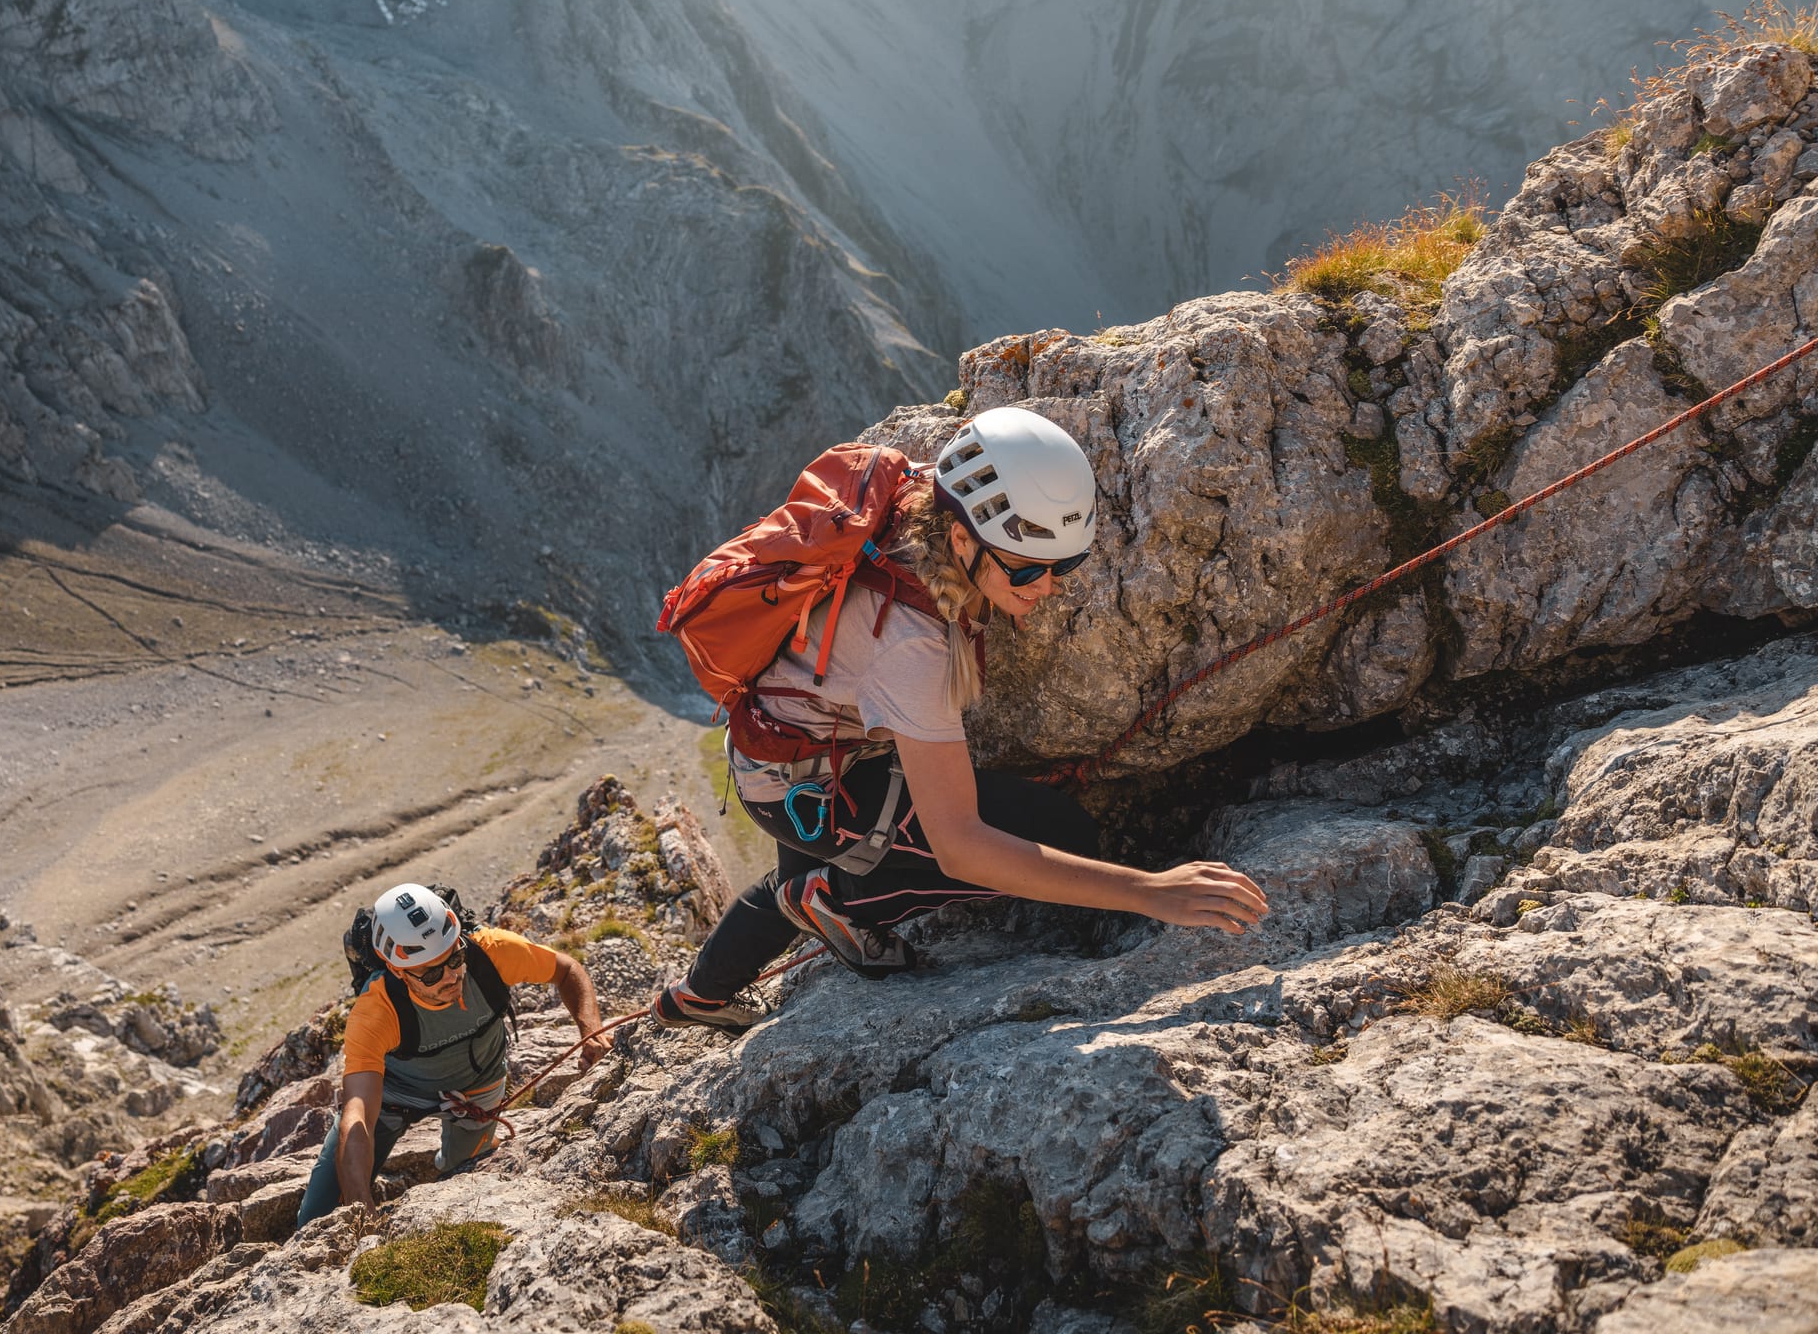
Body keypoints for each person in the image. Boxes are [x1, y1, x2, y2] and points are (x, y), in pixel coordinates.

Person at [652, 407, 1271, 1032]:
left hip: (791, 751)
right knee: (1063, 837)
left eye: (1064, 566)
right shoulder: (913, 650)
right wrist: (1150, 892)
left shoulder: (930, 500)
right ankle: (841, 900)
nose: (1048, 587)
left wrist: (1013, 580)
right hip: (808, 784)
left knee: (807, 869)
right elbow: (961, 848)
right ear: (962, 542)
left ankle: (694, 998)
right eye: (1026, 567)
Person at [295, 881, 607, 1227]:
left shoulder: (491, 952)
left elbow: (566, 970)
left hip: (477, 1087)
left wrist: (590, 1031)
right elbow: (358, 1118)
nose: (451, 976)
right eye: (430, 972)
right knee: (316, 1215)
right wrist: (358, 1209)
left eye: (455, 958)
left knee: (464, 1190)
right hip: (394, 1094)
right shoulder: (377, 1011)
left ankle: (462, 1149)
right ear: (398, 970)